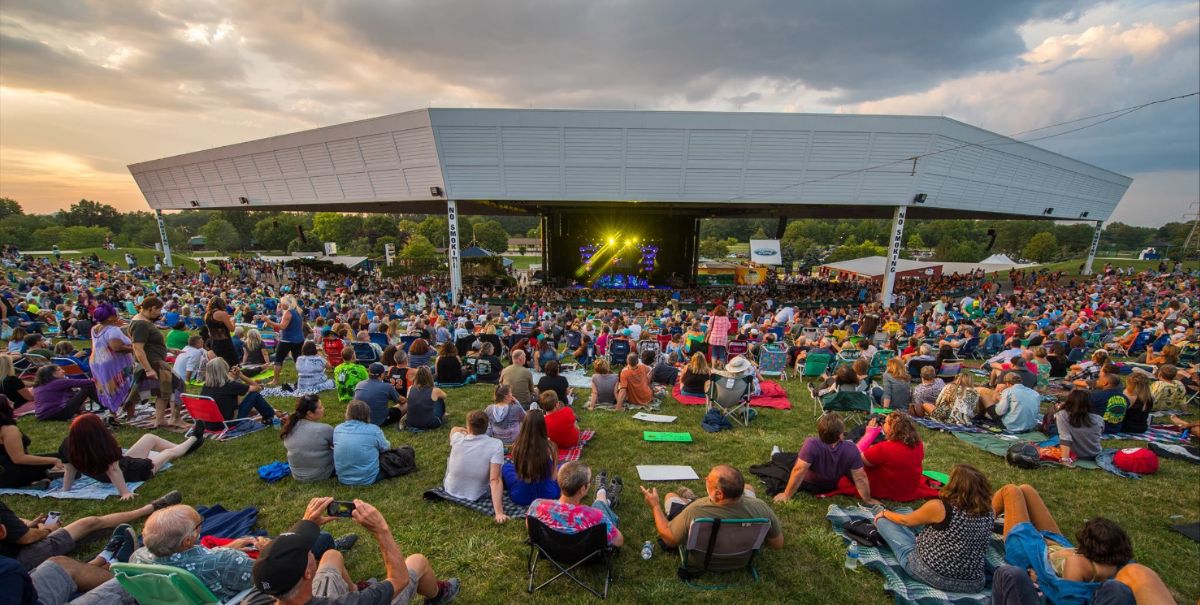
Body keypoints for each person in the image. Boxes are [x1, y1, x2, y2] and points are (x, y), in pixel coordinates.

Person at [251, 497, 459, 604]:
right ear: (307, 573)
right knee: (417, 561)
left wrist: (306, 523)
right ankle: (438, 595)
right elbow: (399, 580)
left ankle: (353, 587)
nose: (309, 548)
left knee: (332, 556)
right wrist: (381, 530)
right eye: (307, 550)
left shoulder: (258, 597)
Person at [991, 484, 1175, 603]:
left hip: (1030, 549)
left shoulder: (1079, 566)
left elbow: (1063, 596)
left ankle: (974, 524)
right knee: (1025, 489)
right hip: (1056, 544)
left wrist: (1038, 579)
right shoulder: (1118, 566)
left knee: (1011, 491)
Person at [873, 464, 995, 593]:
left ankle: (912, 539)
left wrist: (885, 513)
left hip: (928, 573)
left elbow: (906, 521)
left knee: (883, 522)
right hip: (972, 583)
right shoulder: (990, 511)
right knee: (923, 521)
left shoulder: (939, 507)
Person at [1, 493, 179, 572]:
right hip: (20, 558)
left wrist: (25, 527)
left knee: (91, 527)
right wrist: (47, 530)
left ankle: (102, 552)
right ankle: (151, 508)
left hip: (12, 557)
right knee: (90, 522)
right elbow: (26, 538)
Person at [59, 414, 201, 500]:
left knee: (149, 437)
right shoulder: (101, 447)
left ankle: (183, 446)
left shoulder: (68, 445)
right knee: (168, 453)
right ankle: (194, 439)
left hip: (124, 464)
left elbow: (69, 470)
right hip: (133, 472)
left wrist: (66, 490)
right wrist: (125, 492)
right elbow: (113, 470)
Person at [640, 464, 783, 550]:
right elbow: (777, 544)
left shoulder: (696, 510)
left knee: (670, 496)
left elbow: (669, 539)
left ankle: (689, 498)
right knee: (749, 487)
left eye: (708, 479)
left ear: (719, 494)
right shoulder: (761, 508)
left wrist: (655, 506)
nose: (705, 479)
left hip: (705, 559)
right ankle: (690, 497)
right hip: (741, 558)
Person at [773, 413, 878, 505]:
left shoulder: (812, 444)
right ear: (840, 435)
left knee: (787, 459)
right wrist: (868, 499)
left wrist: (786, 495)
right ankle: (777, 454)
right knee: (794, 457)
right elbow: (860, 477)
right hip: (830, 486)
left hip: (809, 485)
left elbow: (799, 470)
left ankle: (775, 454)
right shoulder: (851, 449)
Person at [528, 461, 624, 547]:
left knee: (599, 505)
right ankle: (604, 497)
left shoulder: (537, 505)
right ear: (582, 489)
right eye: (589, 481)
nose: (590, 484)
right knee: (599, 505)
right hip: (586, 557)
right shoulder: (596, 516)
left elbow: (530, 527)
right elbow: (619, 541)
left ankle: (604, 495)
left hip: (550, 551)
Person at [443, 410, 509, 524]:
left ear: (469, 427)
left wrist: (466, 431)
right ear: (487, 426)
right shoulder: (496, 444)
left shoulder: (458, 438)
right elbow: (495, 479)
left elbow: (454, 429)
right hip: (477, 493)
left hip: (450, 488)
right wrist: (499, 513)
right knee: (501, 469)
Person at [129, 297, 185, 429]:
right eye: (159, 309)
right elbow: (138, 348)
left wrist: (169, 349)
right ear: (152, 308)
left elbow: (149, 343)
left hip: (156, 359)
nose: (160, 313)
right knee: (178, 386)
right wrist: (148, 369)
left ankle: (160, 420)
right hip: (154, 362)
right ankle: (175, 418)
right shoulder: (141, 324)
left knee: (163, 391)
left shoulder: (142, 321)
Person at [850, 412, 927, 501]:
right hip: (907, 490)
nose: (882, 423)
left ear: (893, 428)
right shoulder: (918, 445)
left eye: (885, 422)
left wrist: (869, 435)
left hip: (886, 491)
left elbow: (856, 458)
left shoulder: (884, 448)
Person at [0, 394, 63, 488]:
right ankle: (33, 480)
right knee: (63, 458)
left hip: (5, 472)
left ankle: (34, 482)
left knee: (57, 458)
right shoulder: (9, 430)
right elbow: (18, 458)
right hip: (13, 473)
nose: (12, 402)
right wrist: (54, 460)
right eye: (9, 401)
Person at [502, 410, 560, 506]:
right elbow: (553, 477)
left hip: (521, 496)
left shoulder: (517, 447)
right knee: (561, 467)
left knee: (506, 467)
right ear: (543, 426)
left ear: (525, 426)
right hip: (548, 495)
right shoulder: (551, 447)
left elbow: (518, 473)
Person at [88, 303, 135, 416]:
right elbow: (117, 348)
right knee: (129, 388)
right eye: (115, 315)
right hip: (114, 364)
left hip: (97, 362)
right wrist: (135, 349)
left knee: (108, 388)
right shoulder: (113, 330)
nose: (117, 316)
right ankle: (130, 415)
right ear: (110, 317)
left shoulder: (95, 328)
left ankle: (112, 412)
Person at [199, 357, 275, 426]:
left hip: (209, 424)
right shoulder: (230, 385)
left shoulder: (206, 385)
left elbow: (238, 402)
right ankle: (270, 416)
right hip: (228, 423)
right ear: (224, 369)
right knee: (254, 395)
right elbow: (257, 388)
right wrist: (241, 375)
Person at [333, 400, 390, 486]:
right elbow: (386, 448)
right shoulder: (374, 430)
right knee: (404, 452)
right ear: (367, 414)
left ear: (347, 413)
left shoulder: (337, 429)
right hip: (368, 478)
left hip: (343, 478)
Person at [280, 395, 335, 482]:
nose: (323, 408)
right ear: (309, 413)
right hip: (323, 474)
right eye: (320, 407)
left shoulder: (289, 428)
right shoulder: (324, 429)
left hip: (297, 475)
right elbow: (339, 447)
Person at [32, 365, 98, 421]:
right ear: (53, 374)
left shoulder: (38, 385)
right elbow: (87, 382)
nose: (63, 371)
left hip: (42, 416)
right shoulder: (57, 382)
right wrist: (100, 378)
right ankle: (106, 405)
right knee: (87, 387)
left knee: (76, 392)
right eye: (59, 370)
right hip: (59, 413)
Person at [1053, 390, 1103, 464]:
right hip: (1094, 453)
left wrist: (1065, 459)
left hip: (1074, 454)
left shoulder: (1062, 415)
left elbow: (1065, 438)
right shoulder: (1099, 418)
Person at [355, 363, 403, 427]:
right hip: (379, 421)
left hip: (360, 420)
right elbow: (402, 401)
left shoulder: (359, 384)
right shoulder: (387, 386)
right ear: (382, 374)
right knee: (405, 404)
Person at [204, 297, 238, 367]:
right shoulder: (222, 313)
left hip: (213, 341)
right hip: (224, 341)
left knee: (219, 363)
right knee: (232, 363)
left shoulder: (207, 315)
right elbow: (231, 329)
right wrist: (233, 322)